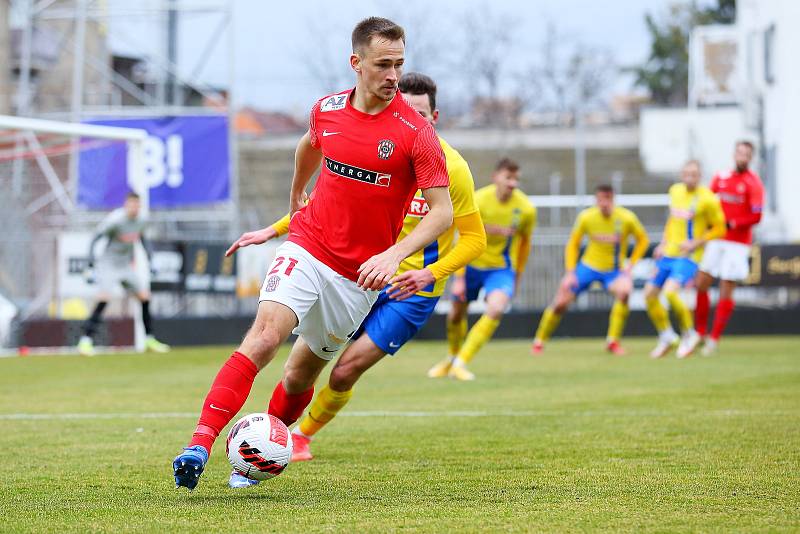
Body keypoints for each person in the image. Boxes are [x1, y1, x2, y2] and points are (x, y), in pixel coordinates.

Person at [172, 17, 453, 490]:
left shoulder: (414, 133)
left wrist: (394, 254)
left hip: (358, 279)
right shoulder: (326, 110)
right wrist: (296, 195)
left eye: (399, 65)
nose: (393, 76)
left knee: (299, 375)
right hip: (308, 245)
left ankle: (257, 461)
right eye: (383, 65)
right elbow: (309, 146)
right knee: (262, 338)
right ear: (356, 63)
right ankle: (197, 445)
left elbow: (441, 214)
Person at [226, 73, 485, 481]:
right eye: (406, 109)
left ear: (435, 116)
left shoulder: (452, 169)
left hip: (410, 292)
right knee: (299, 367)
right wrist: (274, 230)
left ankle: (301, 437)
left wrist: (429, 274)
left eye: (421, 114)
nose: (411, 119)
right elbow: (332, 202)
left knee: (345, 371)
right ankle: (275, 438)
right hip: (358, 276)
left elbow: (474, 239)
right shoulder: (387, 147)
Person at [427, 158, 536, 381]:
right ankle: (451, 357)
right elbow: (462, 238)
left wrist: (517, 276)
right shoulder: (478, 200)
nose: (512, 183)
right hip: (470, 267)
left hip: (500, 269)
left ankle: (461, 362)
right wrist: (458, 277)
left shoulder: (526, 209)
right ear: (496, 177)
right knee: (456, 315)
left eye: (516, 179)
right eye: (508, 177)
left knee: (496, 308)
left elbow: (525, 245)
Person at [532, 185, 648, 355]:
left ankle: (613, 341)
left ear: (613, 199)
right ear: (596, 200)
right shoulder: (587, 217)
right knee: (561, 302)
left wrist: (631, 265)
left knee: (625, 291)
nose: (604, 203)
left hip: (613, 271)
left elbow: (643, 240)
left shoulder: (626, 218)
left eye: (608, 199)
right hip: (588, 268)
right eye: (601, 199)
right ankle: (539, 341)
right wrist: (570, 272)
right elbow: (573, 244)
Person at [645, 160, 726, 358]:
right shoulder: (675, 191)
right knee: (649, 294)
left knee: (671, 293)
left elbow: (720, 228)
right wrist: (663, 243)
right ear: (682, 174)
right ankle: (666, 336)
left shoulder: (708, 198)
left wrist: (696, 242)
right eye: (687, 173)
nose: (690, 177)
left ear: (700, 176)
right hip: (669, 253)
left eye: (694, 174)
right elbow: (672, 220)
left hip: (689, 256)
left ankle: (690, 334)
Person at [691, 141, 764, 356]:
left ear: (751, 158)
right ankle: (700, 333)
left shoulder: (753, 183)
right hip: (716, 238)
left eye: (746, 154)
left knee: (726, 284)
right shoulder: (720, 177)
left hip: (737, 243)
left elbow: (756, 215)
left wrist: (734, 223)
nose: (742, 156)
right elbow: (707, 202)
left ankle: (714, 339)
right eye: (739, 152)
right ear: (734, 154)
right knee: (702, 281)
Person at [77, 192, 170, 356]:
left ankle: (149, 339)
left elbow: (143, 240)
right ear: (126, 205)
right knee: (104, 297)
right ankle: (85, 340)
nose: (134, 208)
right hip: (109, 264)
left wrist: (151, 260)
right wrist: (90, 263)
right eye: (131, 204)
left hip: (125, 266)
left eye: (137, 205)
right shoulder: (115, 221)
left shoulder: (141, 220)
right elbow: (95, 239)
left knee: (144, 296)